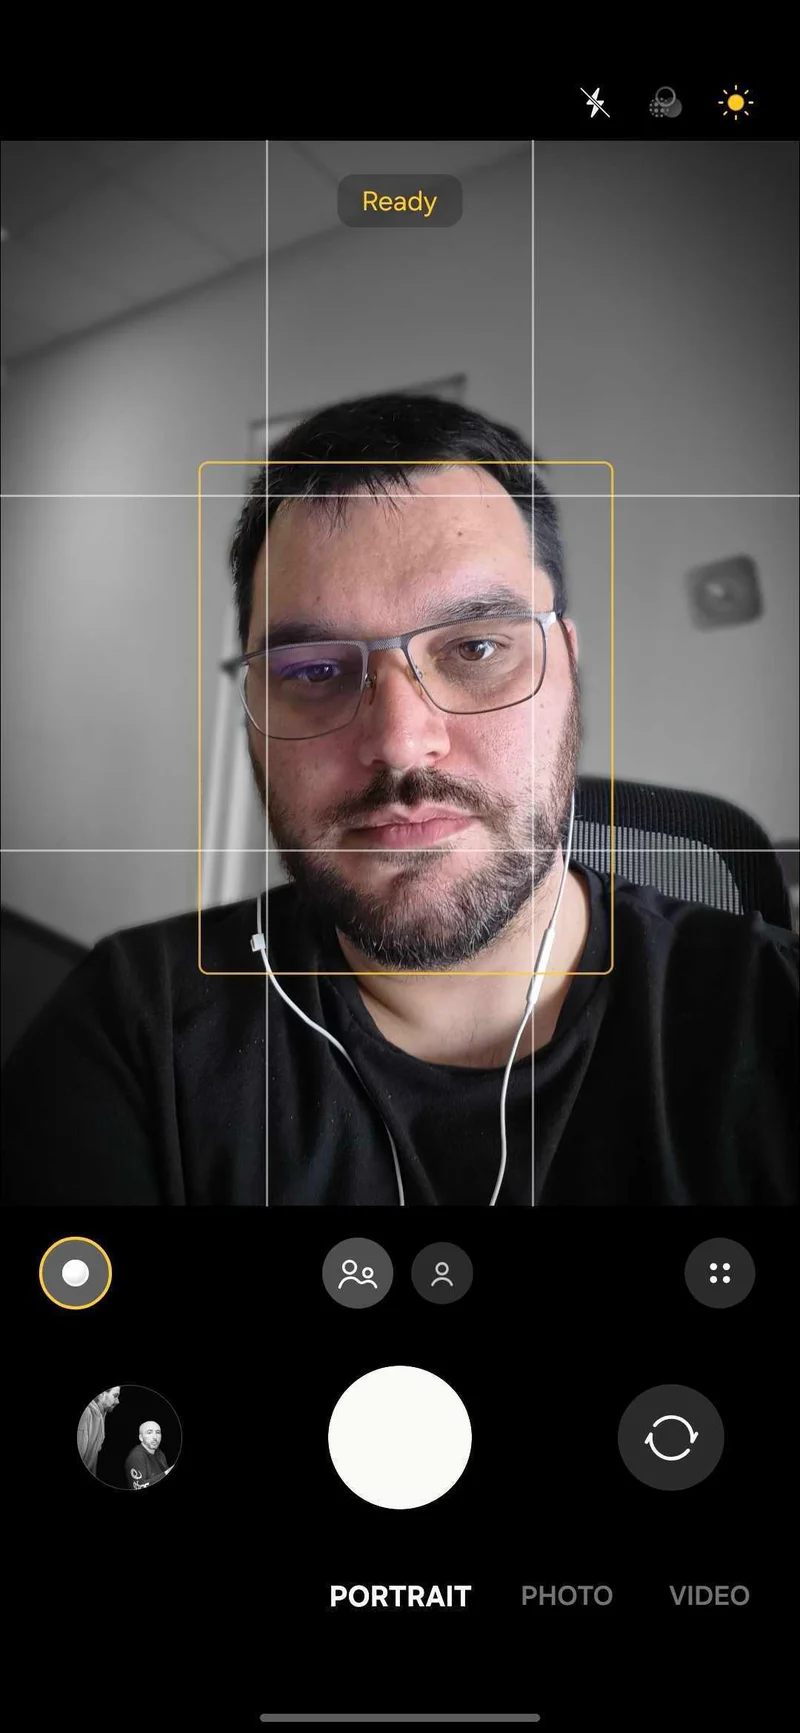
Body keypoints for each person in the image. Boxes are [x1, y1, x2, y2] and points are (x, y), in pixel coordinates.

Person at [1, 394, 796, 1205]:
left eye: (476, 647)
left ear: (567, 664)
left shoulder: (772, 1011)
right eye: (313, 670)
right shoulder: (137, 1027)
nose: (400, 740)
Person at [77, 1387, 120, 1476]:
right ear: (101, 1395)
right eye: (115, 1396)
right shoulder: (86, 1413)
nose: (117, 1401)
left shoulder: (102, 1412)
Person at [124, 1421, 170, 1491]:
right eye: (149, 1432)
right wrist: (166, 1473)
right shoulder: (136, 1457)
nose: (155, 1437)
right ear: (141, 1438)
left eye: (158, 1432)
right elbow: (138, 1487)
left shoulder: (159, 1453)